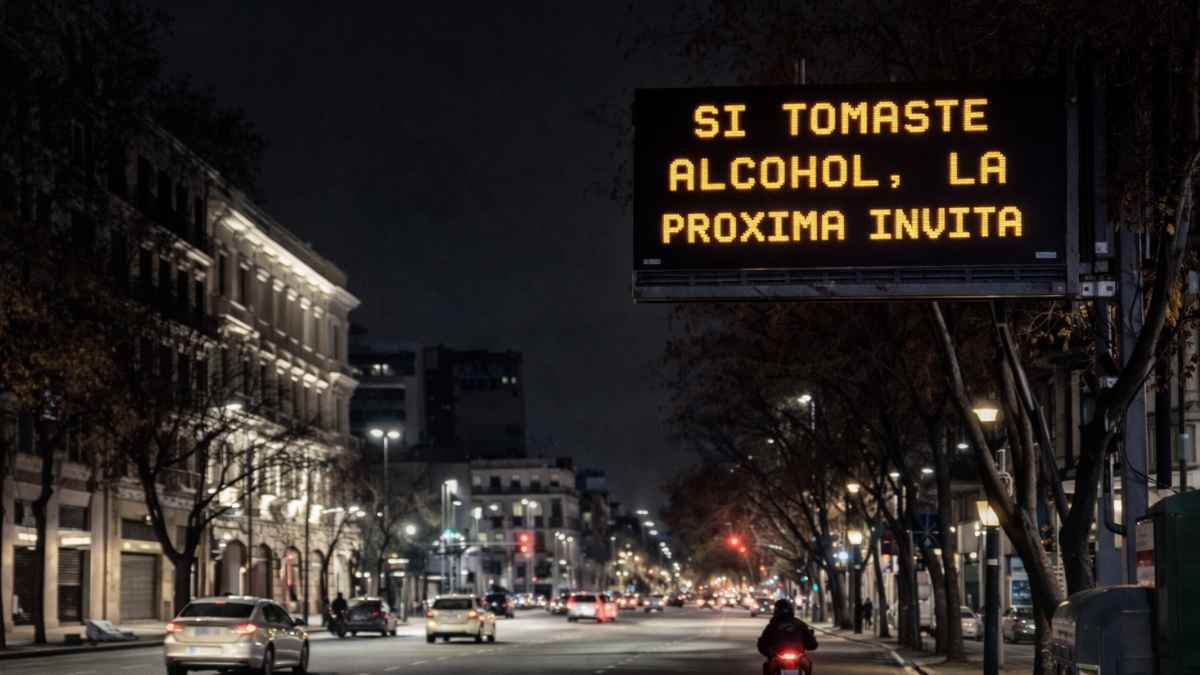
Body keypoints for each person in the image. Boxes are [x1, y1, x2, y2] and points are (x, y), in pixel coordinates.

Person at [757, 599, 818, 675]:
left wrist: (768, 652)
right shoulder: (799, 623)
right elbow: (812, 643)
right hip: (795, 656)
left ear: (776, 611)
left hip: (780, 656)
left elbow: (763, 642)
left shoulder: (772, 625)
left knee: (768, 666)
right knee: (807, 666)